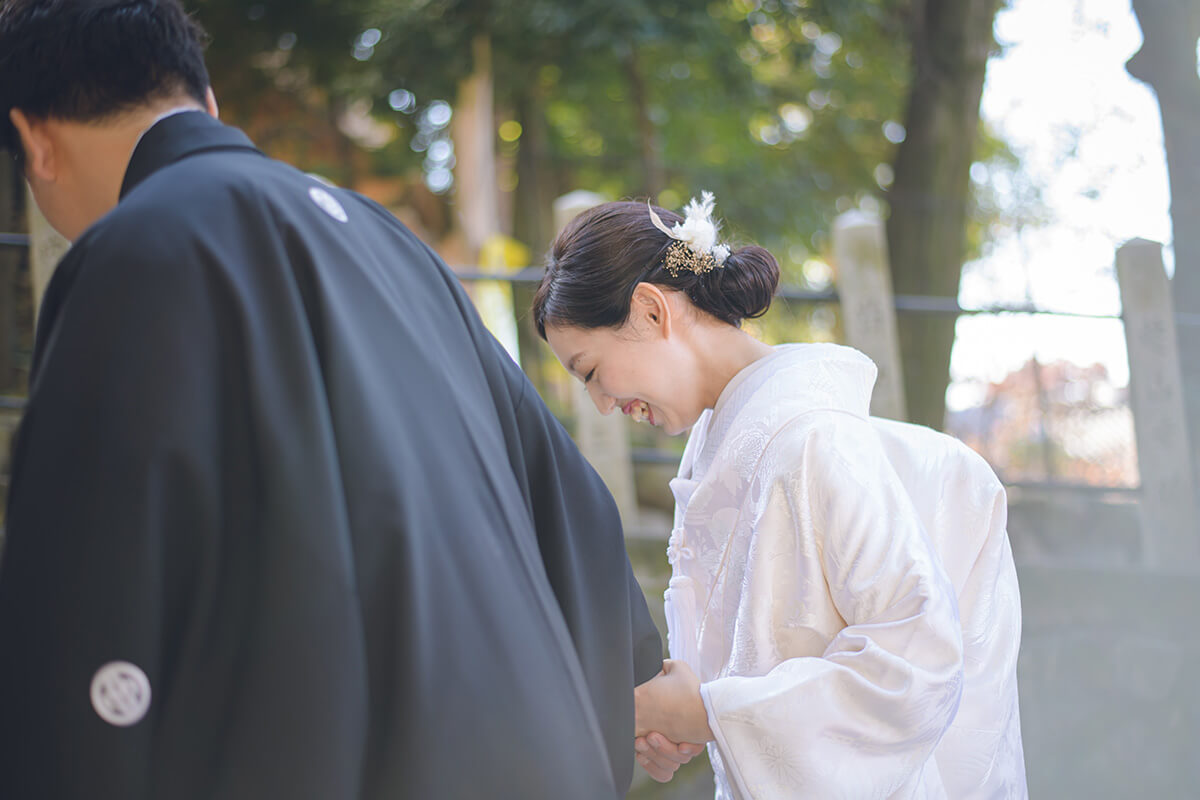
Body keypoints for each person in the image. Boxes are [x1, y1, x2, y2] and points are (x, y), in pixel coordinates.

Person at [0, 2, 662, 798]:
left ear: (33, 138)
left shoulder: (137, 249)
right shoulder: (392, 243)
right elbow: (574, 504)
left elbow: (95, 574)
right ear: (207, 103)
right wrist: (622, 694)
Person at [533, 194, 1028, 798]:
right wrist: (687, 712)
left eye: (590, 371)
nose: (602, 404)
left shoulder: (815, 438)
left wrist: (712, 713)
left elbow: (917, 666)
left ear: (650, 310)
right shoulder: (724, 443)